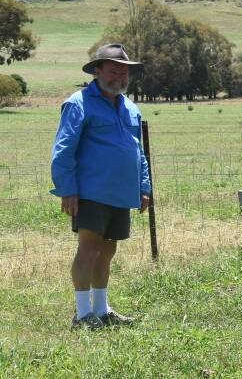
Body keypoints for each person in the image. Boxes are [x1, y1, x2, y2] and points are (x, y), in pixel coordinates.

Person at [50, 44, 152, 329]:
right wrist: (67, 189)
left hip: (121, 192)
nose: (119, 75)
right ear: (98, 71)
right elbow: (63, 150)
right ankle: (82, 316)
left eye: (124, 70)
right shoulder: (78, 103)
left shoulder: (130, 107)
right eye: (113, 69)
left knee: (108, 251)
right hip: (92, 191)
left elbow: (137, 151)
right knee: (89, 249)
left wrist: (144, 186)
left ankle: (101, 310)